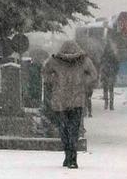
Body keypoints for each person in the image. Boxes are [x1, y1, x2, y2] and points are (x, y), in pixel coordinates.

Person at [41, 40, 98, 169]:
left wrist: (55, 81)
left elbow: (44, 73)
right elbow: (93, 75)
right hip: (77, 101)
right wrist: (82, 81)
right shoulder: (84, 61)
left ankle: (67, 154)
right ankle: (73, 157)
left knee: (64, 129)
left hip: (60, 101)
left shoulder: (55, 60)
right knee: (74, 130)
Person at [100, 40, 120, 110]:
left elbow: (101, 64)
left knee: (105, 89)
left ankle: (106, 103)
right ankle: (111, 104)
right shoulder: (113, 55)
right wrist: (115, 72)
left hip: (105, 73)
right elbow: (117, 64)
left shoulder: (103, 55)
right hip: (111, 74)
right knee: (111, 89)